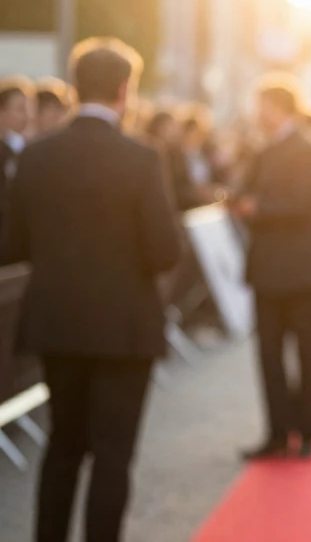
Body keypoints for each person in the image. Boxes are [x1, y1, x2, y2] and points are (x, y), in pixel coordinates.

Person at [3, 38, 180, 542]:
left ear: (76, 87)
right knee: (112, 454)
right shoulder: (142, 160)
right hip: (125, 329)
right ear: (125, 91)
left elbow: (15, 243)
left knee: (62, 446)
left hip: (58, 323)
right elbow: (165, 251)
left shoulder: (37, 157)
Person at [234, 73, 311, 461]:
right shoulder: (264, 150)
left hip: (303, 269)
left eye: (262, 105)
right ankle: (277, 432)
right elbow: (247, 189)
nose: (257, 114)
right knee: (269, 355)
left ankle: (306, 432)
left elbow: (306, 204)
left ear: (279, 107)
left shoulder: (309, 150)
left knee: (307, 354)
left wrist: (258, 208)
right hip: (269, 269)